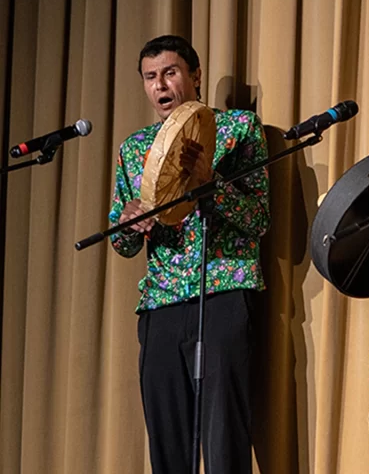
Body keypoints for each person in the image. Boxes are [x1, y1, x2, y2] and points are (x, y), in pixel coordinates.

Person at [108, 35, 270, 474]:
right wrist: (127, 222)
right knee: (167, 439)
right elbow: (122, 245)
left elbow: (258, 219)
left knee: (224, 437)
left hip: (222, 290)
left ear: (195, 76)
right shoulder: (135, 148)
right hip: (160, 303)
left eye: (170, 72)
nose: (161, 85)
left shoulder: (237, 129)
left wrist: (209, 183)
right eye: (150, 77)